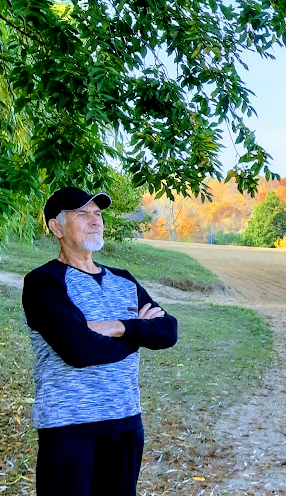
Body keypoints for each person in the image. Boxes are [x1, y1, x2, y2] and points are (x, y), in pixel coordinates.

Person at [22, 187, 178, 495]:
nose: (95, 221)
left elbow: (168, 331)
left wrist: (116, 326)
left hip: (125, 421)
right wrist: (137, 331)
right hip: (68, 427)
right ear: (56, 227)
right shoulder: (44, 282)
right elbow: (78, 350)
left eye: (98, 214)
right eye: (82, 214)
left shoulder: (124, 280)